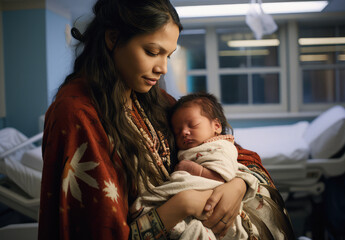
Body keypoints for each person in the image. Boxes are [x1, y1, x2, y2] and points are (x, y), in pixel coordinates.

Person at [38, 0, 293, 239]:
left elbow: (236, 154)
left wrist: (237, 185)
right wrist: (183, 203)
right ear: (113, 38)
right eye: (152, 52)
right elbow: (102, 231)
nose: (163, 68)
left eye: (168, 55)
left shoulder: (156, 100)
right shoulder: (77, 113)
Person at [131, 92, 295, 239]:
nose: (184, 133)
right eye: (177, 131)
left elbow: (221, 175)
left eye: (193, 125)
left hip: (216, 199)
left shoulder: (220, 147)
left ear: (217, 126)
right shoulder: (180, 123)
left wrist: (196, 170)